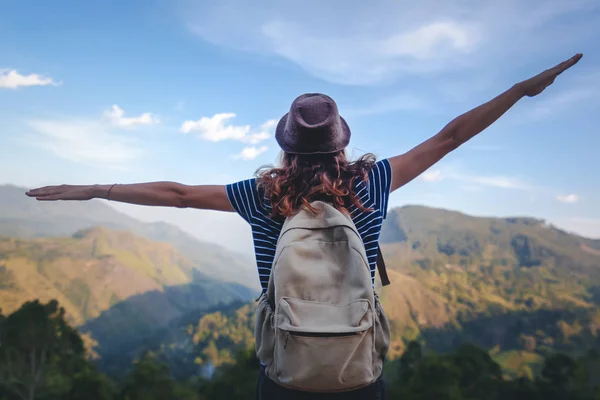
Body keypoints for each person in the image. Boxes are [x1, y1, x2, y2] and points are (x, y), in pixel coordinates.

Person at [26, 53, 582, 399]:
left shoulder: (262, 195)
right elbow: (450, 136)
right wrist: (519, 90)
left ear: (285, 145)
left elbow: (177, 195)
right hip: (358, 373)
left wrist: (96, 187)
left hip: (286, 374)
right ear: (340, 140)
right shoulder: (373, 184)